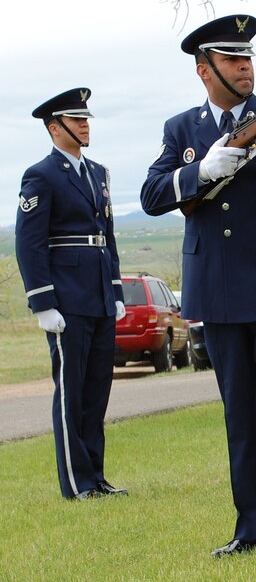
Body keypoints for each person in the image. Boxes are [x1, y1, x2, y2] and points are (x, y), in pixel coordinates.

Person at [140, 15, 256, 563]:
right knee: (239, 417)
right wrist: (197, 174)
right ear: (206, 70)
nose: (245, 66)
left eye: (248, 58)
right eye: (232, 59)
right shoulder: (183, 129)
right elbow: (152, 194)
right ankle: (255, 528)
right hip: (218, 289)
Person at [15, 88, 128, 500]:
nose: (85, 125)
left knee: (96, 392)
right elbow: (30, 244)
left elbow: (107, 236)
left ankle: (95, 478)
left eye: (86, 119)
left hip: (98, 296)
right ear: (54, 127)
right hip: (66, 300)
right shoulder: (41, 175)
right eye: (75, 119)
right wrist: (43, 302)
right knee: (72, 391)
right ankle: (76, 484)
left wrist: (115, 290)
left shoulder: (98, 172)